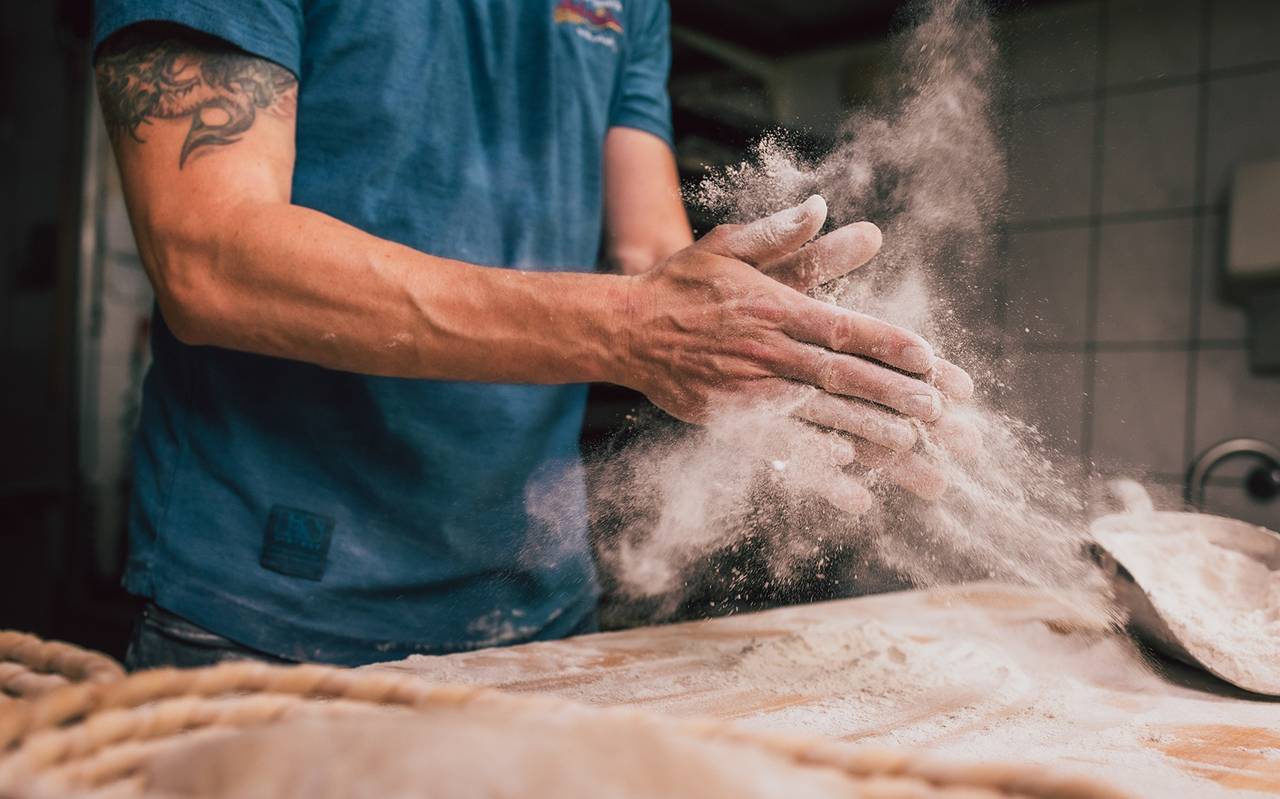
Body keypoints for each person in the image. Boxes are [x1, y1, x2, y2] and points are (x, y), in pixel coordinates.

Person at [92, 0, 971, 669]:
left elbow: (651, 260)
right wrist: (637, 329)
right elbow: (207, 257)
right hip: (269, 609)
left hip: (537, 603)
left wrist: (776, 352)